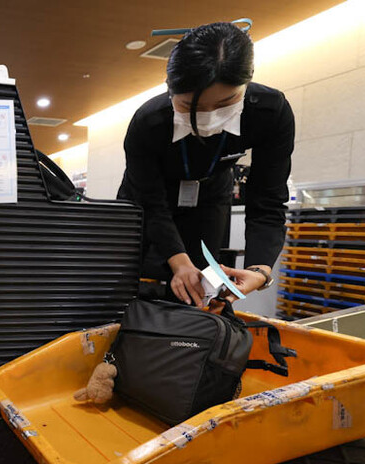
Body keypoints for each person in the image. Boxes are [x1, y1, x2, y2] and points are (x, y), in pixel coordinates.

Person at [117, 21, 294, 307]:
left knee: (201, 288)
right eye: (190, 107)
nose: (208, 118)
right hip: (147, 197)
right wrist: (178, 261)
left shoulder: (270, 112)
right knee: (128, 278)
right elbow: (149, 202)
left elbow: (268, 200)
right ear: (170, 89)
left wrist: (259, 269)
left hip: (210, 194)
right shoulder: (148, 122)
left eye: (226, 103)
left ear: (245, 86)